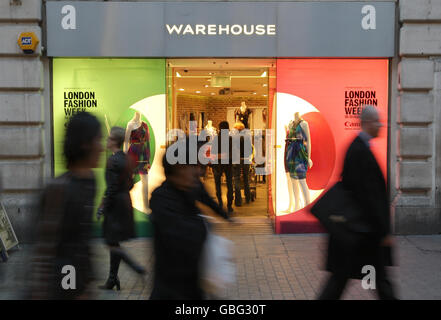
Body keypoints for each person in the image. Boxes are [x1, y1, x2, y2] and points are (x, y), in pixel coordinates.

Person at [318, 105, 396, 300]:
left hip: (358, 232)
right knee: (368, 280)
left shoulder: (358, 147)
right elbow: (370, 196)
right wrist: (384, 230)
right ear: (368, 123)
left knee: (348, 279)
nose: (381, 126)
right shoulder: (360, 150)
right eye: (378, 122)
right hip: (361, 232)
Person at [30, 112, 103, 299]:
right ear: (84, 143)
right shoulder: (59, 190)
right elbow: (52, 252)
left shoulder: (90, 181)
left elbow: (82, 242)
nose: (102, 148)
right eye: (98, 140)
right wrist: (73, 290)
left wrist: (86, 285)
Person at [149, 138, 232, 300]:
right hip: (170, 290)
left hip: (193, 287)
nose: (198, 171)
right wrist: (205, 223)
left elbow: (207, 200)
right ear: (178, 168)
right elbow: (185, 237)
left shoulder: (191, 188)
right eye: (193, 166)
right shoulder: (161, 199)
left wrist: (224, 216)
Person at [98, 126, 146, 291]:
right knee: (114, 241)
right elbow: (131, 183)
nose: (106, 141)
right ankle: (112, 279)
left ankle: (136, 268)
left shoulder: (112, 161)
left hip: (115, 205)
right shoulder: (127, 159)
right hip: (125, 202)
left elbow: (111, 188)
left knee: (111, 242)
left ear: (113, 141)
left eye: (108, 138)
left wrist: (103, 206)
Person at [211, 121, 234, 214]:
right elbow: (232, 154)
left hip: (217, 164)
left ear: (219, 128)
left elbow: (213, 154)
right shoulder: (231, 139)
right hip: (228, 164)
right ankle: (229, 206)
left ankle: (220, 203)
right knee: (229, 184)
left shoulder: (216, 139)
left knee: (217, 184)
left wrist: (219, 156)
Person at [231, 122, 253, 207]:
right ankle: (247, 198)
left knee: (236, 179)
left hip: (237, 159)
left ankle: (238, 200)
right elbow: (250, 149)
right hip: (246, 159)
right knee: (246, 178)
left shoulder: (233, 137)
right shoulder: (248, 137)